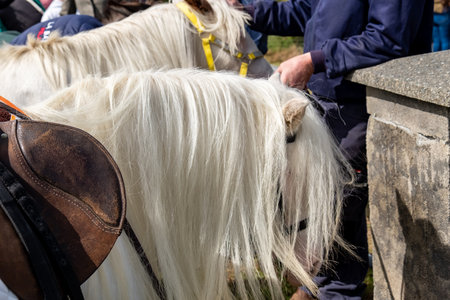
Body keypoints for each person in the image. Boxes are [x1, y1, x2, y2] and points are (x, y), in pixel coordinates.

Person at [227, 0, 433, 299]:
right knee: (325, 199)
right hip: (329, 95)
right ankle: (323, 284)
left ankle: (336, 291)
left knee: (339, 201)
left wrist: (314, 60)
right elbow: (305, 11)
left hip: (361, 101)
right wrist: (246, 10)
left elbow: (389, 39)